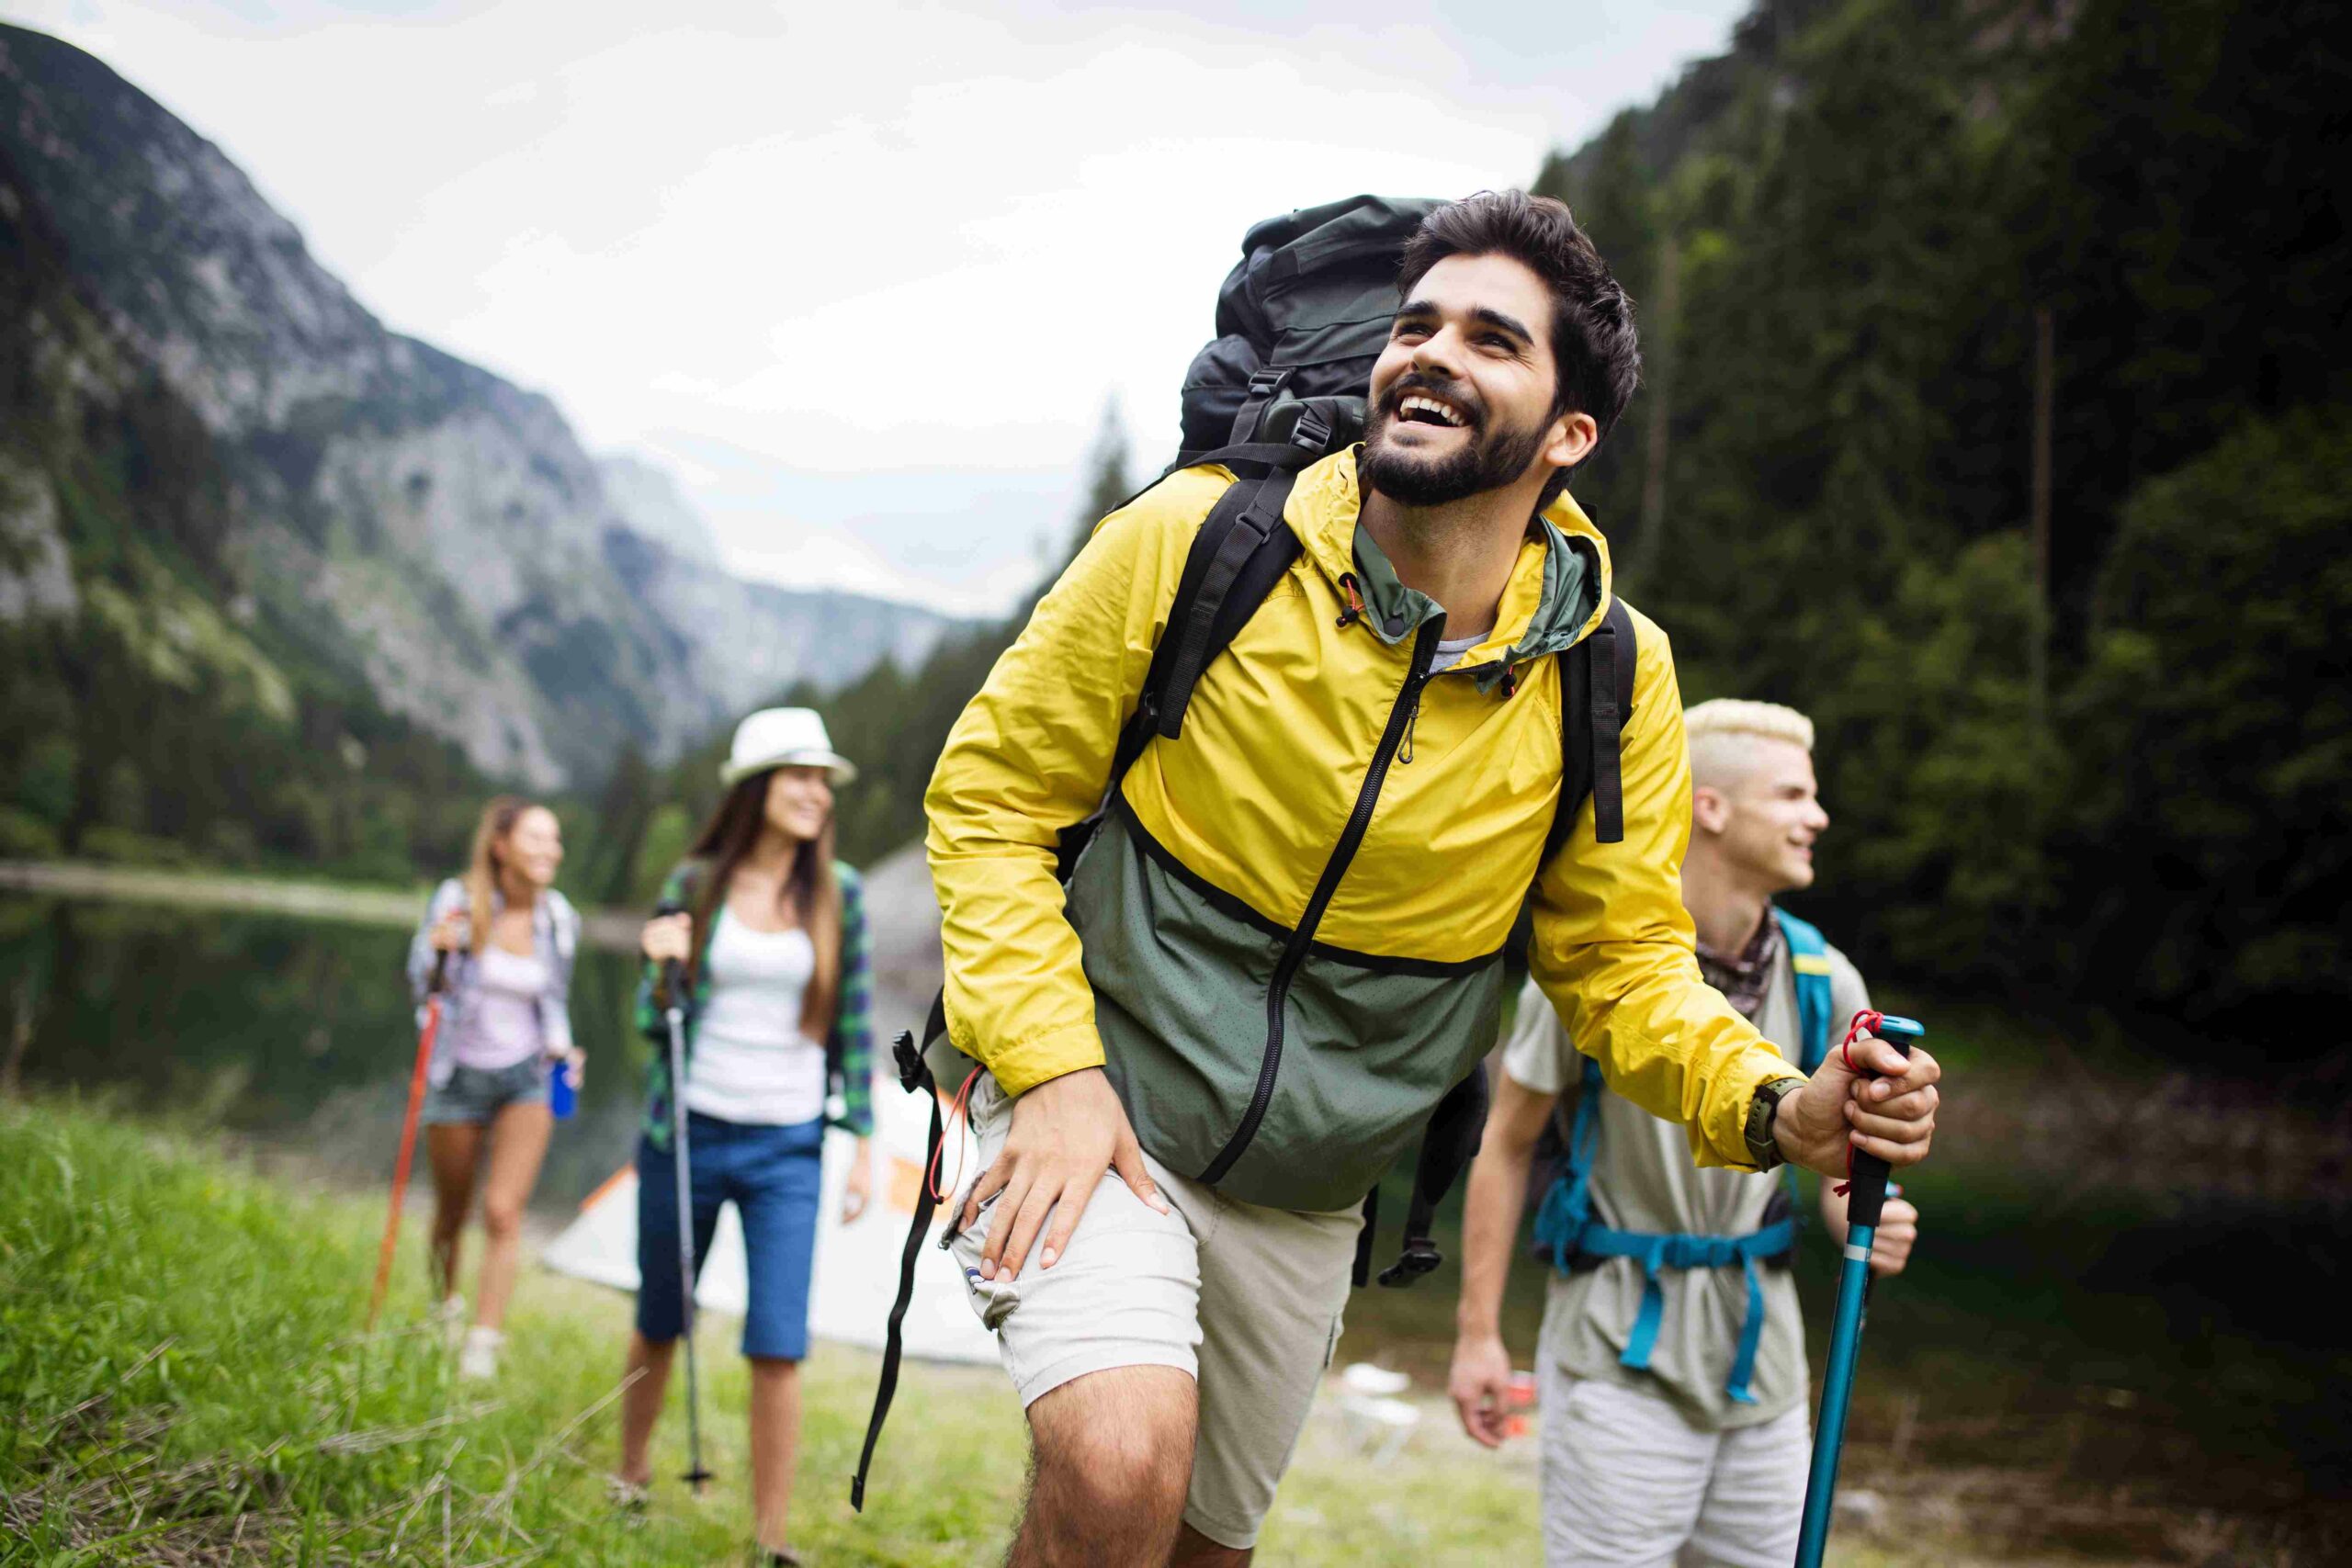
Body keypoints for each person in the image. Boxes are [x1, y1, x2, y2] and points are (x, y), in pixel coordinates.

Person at [920, 189, 1944, 1566]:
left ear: (1569, 434)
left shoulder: (1610, 672)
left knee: (1196, 1547)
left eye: (1491, 337)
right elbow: (992, 797)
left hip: (1307, 1186)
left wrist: (1779, 1103)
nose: (1431, 353)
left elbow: (1624, 964)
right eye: (1416, 322)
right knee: (1116, 1466)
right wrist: (1048, 1069)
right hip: (1100, 1096)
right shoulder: (1199, 537)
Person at [1449, 697, 1924, 1566]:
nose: (1817, 816)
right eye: (1792, 795)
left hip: (1765, 1366)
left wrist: (1863, 1216)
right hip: (1616, 1350)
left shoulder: (1829, 979)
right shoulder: (1601, 971)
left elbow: (1836, 1178)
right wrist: (1480, 1331)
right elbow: (1506, 1140)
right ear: (1712, 807)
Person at [613, 707, 876, 1566]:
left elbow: (858, 1024)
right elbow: (655, 1024)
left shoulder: (844, 895)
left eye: (822, 779)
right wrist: (657, 968)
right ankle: (631, 1472)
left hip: (789, 1146)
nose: (814, 791)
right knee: (661, 1314)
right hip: (686, 1131)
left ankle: (771, 1540)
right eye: (797, 774)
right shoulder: (694, 885)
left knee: (778, 1339)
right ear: (757, 787)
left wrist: (863, 1139)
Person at [405, 795, 582, 1382]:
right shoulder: (458, 903)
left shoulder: (559, 918)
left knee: (503, 1211)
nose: (549, 850)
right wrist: (438, 953)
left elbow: (554, 998)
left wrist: (565, 1049)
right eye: (536, 838)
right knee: (451, 1212)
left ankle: (483, 1342)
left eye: (554, 840)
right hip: (456, 1075)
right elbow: (422, 987)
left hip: (527, 1078)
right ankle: (442, 1309)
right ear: (501, 846)